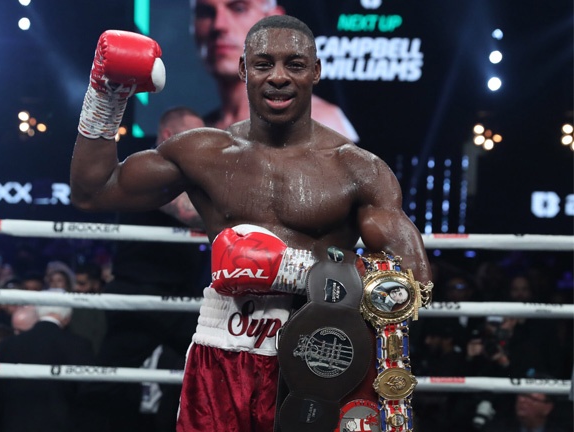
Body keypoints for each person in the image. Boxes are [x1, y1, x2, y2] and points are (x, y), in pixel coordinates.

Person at [70, 15, 431, 431]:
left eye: (294, 64)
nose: (278, 76)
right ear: (244, 69)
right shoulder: (202, 153)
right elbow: (93, 191)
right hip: (222, 353)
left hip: (322, 356)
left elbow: (412, 285)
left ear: (316, 71)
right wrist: (106, 97)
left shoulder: (358, 169)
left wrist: (298, 273)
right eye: (263, 64)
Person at [89, 107, 208, 431]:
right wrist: (232, 206)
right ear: (169, 136)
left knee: (192, 368)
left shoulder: (186, 176)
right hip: (140, 291)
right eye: (193, 136)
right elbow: (192, 214)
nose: (201, 144)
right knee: (110, 376)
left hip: (175, 294)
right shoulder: (148, 168)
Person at [190, 0, 360, 141]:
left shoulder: (320, 123)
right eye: (205, 12)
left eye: (239, 8)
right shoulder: (196, 130)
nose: (219, 25)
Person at [0, 301, 99, 432]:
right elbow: (88, 393)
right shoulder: (78, 345)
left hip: (14, 425)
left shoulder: (8, 345)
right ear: (67, 318)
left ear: (38, 314)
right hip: (62, 425)